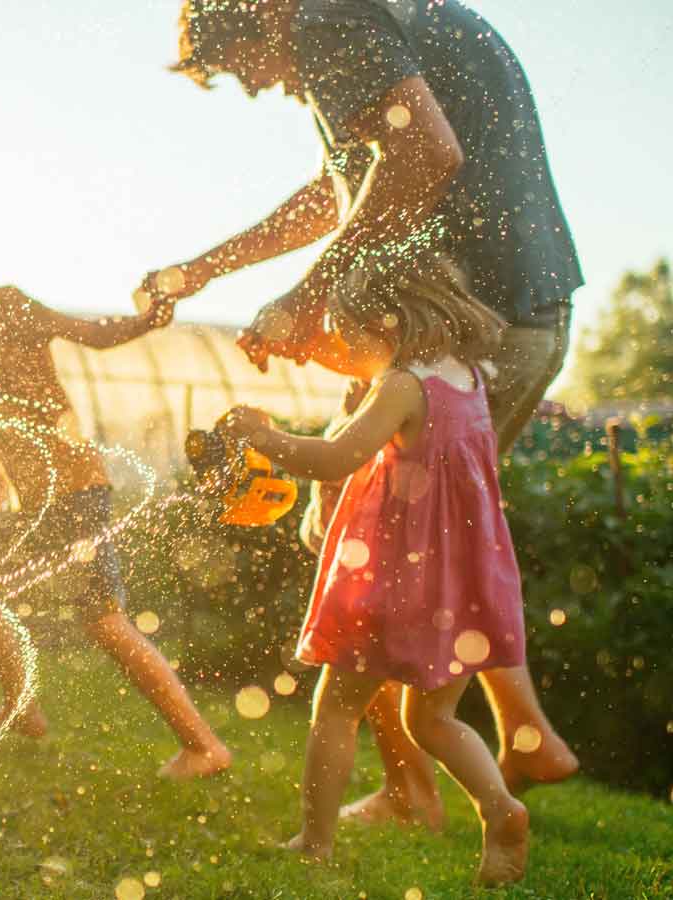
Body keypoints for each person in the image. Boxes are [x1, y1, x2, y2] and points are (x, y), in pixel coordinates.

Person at [143, 0, 579, 824]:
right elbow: (343, 192)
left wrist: (303, 299)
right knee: (438, 539)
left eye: (242, 64)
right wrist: (208, 268)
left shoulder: (325, 17)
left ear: (260, 16)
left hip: (462, 321)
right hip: (513, 317)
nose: (256, 87)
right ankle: (519, 734)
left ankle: (419, 783)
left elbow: (424, 154)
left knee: (357, 549)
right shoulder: (377, 21)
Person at [0, 206, 232, 780]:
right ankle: (23, 709)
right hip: (33, 502)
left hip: (73, 492)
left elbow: (93, 336)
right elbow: (12, 417)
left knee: (104, 623)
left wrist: (148, 320)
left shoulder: (7, 304)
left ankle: (203, 746)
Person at [216, 253, 530, 884]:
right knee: (433, 718)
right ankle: (501, 809)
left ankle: (314, 841)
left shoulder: (403, 386)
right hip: (462, 587)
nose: (342, 345)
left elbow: (336, 458)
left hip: (398, 583)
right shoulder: (467, 378)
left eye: (346, 331)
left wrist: (263, 435)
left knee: (335, 707)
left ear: (384, 325)